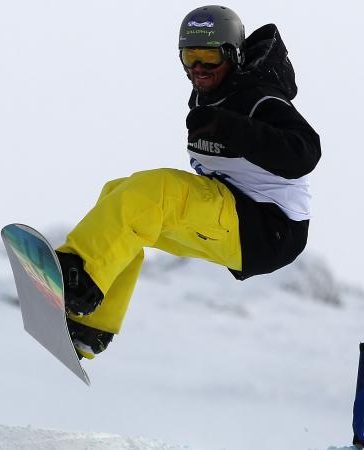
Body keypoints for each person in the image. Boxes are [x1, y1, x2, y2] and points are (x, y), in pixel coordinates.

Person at [56, 5, 321, 360]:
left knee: (154, 193)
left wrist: (232, 128)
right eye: (189, 57)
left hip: (266, 224)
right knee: (117, 196)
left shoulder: (260, 98)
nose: (198, 68)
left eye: (208, 57)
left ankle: (77, 277)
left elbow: (305, 153)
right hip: (238, 219)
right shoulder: (209, 95)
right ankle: (89, 327)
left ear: (233, 54)